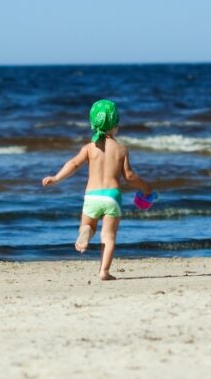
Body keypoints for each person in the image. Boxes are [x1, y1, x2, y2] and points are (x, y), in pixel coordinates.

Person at [42, 99, 153, 281]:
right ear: (116, 125)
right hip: (112, 197)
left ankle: (85, 232)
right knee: (108, 236)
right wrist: (146, 188)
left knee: (88, 225)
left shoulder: (89, 148)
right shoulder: (121, 149)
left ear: (93, 123)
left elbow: (74, 164)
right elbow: (130, 176)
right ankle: (104, 271)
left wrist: (56, 178)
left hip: (92, 196)